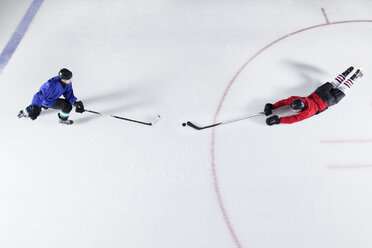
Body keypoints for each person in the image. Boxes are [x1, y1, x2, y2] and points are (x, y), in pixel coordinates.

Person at [264, 66, 363, 126]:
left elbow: (293, 119)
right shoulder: (300, 100)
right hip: (321, 93)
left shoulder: (307, 112)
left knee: (342, 88)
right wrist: (273, 106)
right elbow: (287, 102)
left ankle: (354, 76)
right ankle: (348, 72)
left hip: (327, 100)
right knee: (334, 83)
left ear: (300, 110)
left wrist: (279, 120)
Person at [17, 68, 85, 125]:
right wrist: (35, 107)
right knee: (67, 106)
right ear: (63, 79)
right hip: (48, 101)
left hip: (50, 99)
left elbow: (68, 93)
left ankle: (23, 112)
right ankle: (63, 120)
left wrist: (74, 102)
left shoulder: (67, 83)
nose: (70, 80)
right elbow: (38, 96)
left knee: (36, 107)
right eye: (69, 79)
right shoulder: (50, 85)